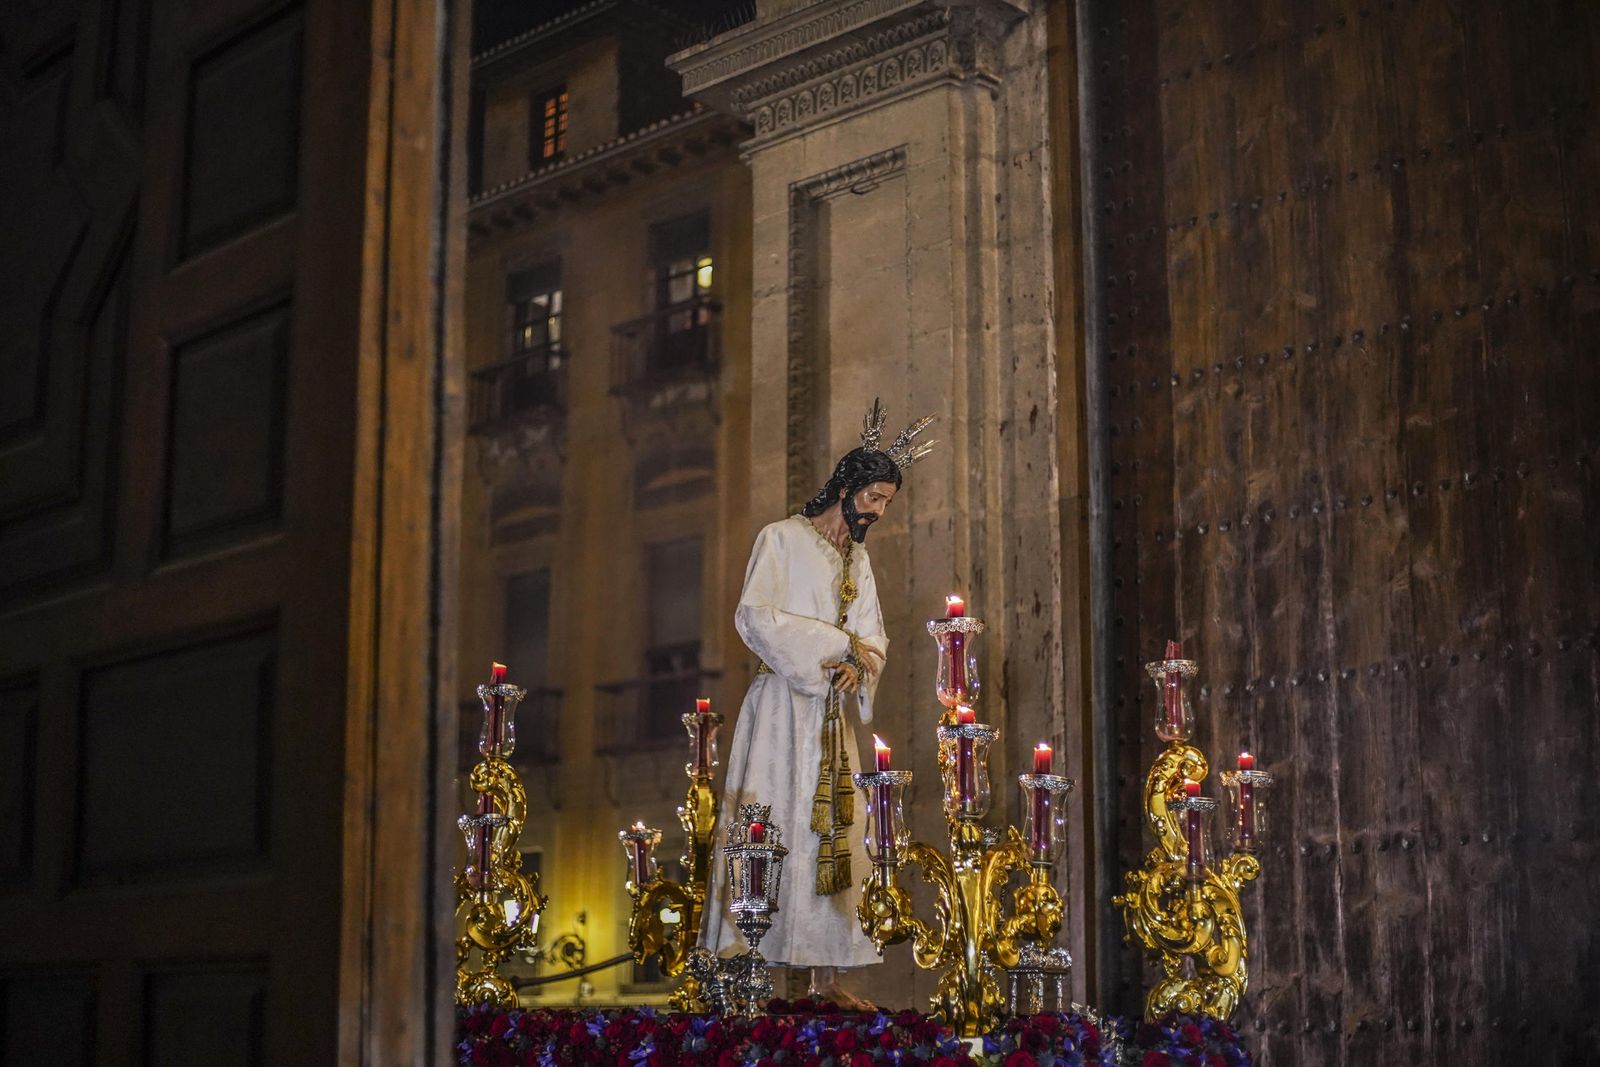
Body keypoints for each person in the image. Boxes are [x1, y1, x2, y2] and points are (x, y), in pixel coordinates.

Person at [701, 400, 934, 1008]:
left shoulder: (858, 560)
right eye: (876, 498)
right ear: (848, 487)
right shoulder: (780, 539)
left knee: (833, 834)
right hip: (783, 706)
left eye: (887, 502)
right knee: (771, 824)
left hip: (831, 717)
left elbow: (874, 636)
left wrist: (858, 667)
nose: (879, 512)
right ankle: (753, 972)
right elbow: (755, 616)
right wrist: (831, 651)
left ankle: (825, 980)